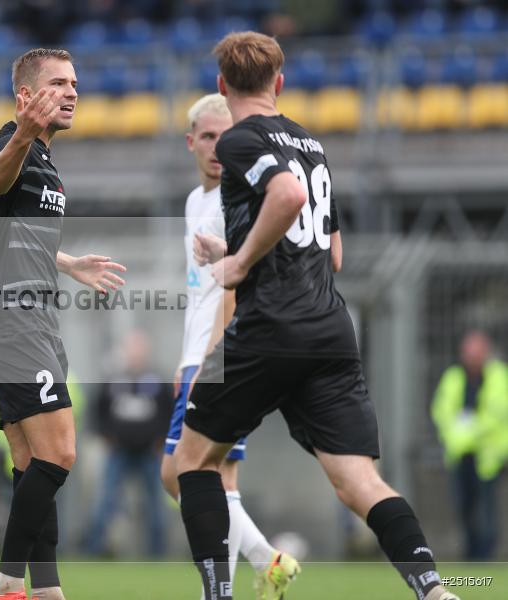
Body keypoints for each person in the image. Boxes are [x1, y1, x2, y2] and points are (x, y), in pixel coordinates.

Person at [174, 32, 458, 600]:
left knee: (192, 462)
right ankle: (432, 587)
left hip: (270, 326)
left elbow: (286, 200)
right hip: (329, 327)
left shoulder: (240, 140)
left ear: (221, 86)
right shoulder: (310, 144)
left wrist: (239, 264)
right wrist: (233, 252)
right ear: (280, 83)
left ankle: (217, 596)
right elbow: (332, 250)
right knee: (359, 482)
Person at [0, 48, 126, 600]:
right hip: (12, 318)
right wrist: (19, 135)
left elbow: (7, 229)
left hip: (24, 317)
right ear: (26, 97)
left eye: (75, 83)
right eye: (57, 83)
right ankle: (5, 586)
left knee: (32, 461)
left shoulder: (43, 160)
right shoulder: (10, 145)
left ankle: (46, 591)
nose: (71, 91)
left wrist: (68, 262)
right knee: (61, 452)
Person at [161, 92, 304, 599]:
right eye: (207, 137)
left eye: (226, 136)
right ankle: (265, 564)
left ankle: (250, 571)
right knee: (218, 482)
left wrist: (211, 357)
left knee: (183, 473)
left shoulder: (236, 199)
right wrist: (186, 356)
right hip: (201, 355)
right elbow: (199, 289)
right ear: (190, 142)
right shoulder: (194, 202)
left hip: (224, 355)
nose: (217, 147)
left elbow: (234, 287)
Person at [85, 330, 172, 557]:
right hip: (119, 452)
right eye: (132, 349)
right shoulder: (113, 380)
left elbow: (169, 413)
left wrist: (161, 440)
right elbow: (97, 411)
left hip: (149, 454)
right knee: (107, 501)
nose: (136, 354)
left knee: (155, 506)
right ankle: (94, 549)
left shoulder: (158, 381)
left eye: (139, 349)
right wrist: (106, 436)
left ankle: (158, 554)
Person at [431, 330, 508, 561]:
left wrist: (465, 433)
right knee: (463, 506)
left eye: (476, 352)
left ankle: (485, 555)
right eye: (468, 352)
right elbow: (442, 411)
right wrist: (459, 435)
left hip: (488, 458)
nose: (472, 357)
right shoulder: (454, 377)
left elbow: (496, 414)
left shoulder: (498, 376)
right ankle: (470, 553)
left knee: (486, 510)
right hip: (460, 455)